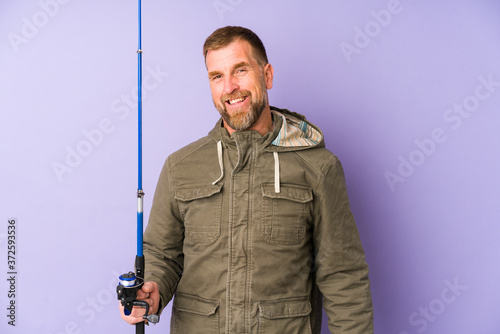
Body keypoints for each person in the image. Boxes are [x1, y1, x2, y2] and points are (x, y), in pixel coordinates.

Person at [119, 26, 373, 333]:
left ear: (266, 75)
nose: (229, 87)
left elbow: (343, 277)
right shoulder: (180, 167)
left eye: (240, 70)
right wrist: (153, 289)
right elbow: (162, 254)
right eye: (217, 76)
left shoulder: (319, 168)